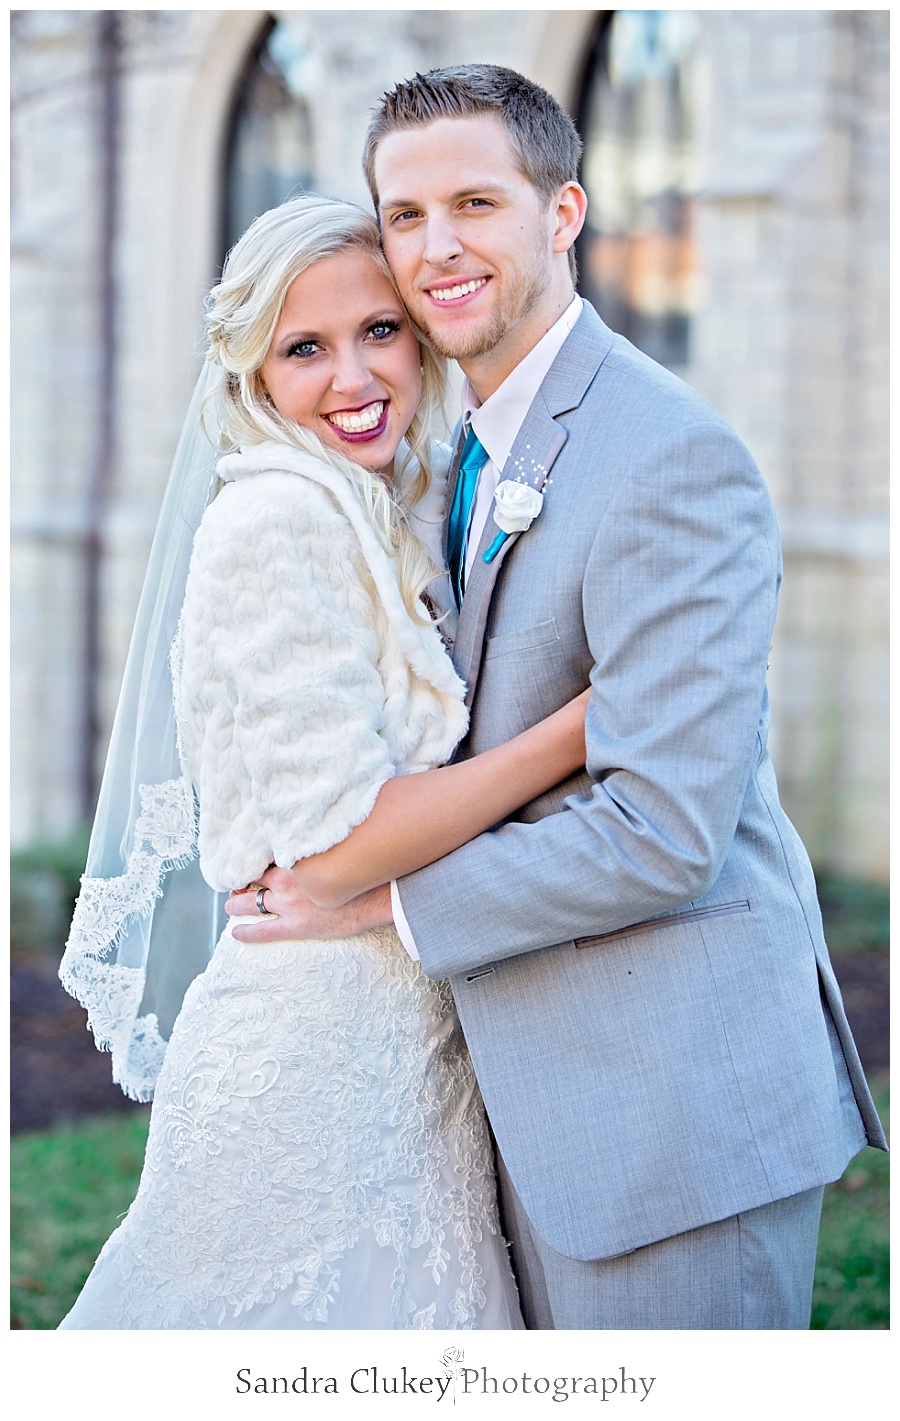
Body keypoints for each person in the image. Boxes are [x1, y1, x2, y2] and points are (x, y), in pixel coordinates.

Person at [230, 66, 887, 1330]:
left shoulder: (668, 456)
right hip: (512, 1100)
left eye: (476, 202)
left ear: (565, 211)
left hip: (666, 1116)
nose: (437, 248)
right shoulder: (444, 448)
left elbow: (663, 831)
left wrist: (379, 900)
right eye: (405, 215)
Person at [58, 193, 594, 1329]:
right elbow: (338, 840)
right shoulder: (275, 524)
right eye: (306, 349)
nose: (354, 376)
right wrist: (575, 731)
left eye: (379, 332)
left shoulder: (390, 498)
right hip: (312, 1065)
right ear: (254, 378)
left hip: (411, 1052)